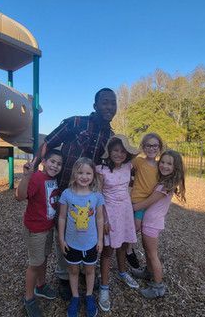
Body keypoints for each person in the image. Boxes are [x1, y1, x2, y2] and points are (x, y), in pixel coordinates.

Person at [37, 88, 117, 299]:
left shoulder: (111, 136)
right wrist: (34, 165)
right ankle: (64, 275)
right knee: (63, 231)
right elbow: (49, 142)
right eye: (105, 102)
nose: (110, 107)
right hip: (64, 189)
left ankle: (84, 269)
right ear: (95, 106)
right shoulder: (76, 123)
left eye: (113, 103)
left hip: (89, 194)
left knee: (86, 229)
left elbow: (112, 165)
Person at [132, 150, 186, 298]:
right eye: (162, 162)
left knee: (152, 254)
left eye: (169, 164)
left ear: (176, 167)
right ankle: (148, 272)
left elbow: (148, 202)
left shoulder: (166, 185)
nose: (164, 166)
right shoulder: (164, 181)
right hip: (149, 222)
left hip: (152, 223)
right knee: (147, 249)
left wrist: (129, 207)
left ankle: (158, 287)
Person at [15, 149, 63, 317]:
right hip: (35, 229)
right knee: (35, 264)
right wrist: (26, 176)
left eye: (59, 164)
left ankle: (41, 286)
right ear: (43, 161)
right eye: (52, 162)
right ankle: (29, 298)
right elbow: (20, 197)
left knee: (44, 258)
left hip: (48, 227)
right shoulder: (36, 178)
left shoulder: (54, 180)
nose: (55, 166)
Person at [96, 135, 140, 312]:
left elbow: (146, 167)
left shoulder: (129, 166)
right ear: (109, 151)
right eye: (115, 150)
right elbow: (99, 195)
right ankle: (104, 288)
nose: (119, 154)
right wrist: (104, 219)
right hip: (109, 213)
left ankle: (123, 272)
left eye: (123, 151)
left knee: (123, 245)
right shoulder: (100, 169)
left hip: (125, 212)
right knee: (108, 251)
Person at [58, 157, 104, 317]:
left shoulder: (97, 196)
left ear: (93, 175)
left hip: (91, 243)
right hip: (72, 243)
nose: (84, 176)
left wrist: (100, 240)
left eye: (88, 173)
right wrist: (61, 239)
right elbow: (62, 217)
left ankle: (89, 296)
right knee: (73, 270)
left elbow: (99, 218)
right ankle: (75, 297)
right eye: (80, 172)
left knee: (90, 270)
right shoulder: (66, 194)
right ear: (74, 174)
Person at [126, 133, 164, 269]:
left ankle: (138, 252)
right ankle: (128, 250)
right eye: (148, 145)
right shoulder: (139, 161)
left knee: (145, 229)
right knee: (135, 226)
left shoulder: (161, 165)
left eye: (155, 145)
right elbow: (126, 167)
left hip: (151, 203)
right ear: (143, 147)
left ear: (159, 147)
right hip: (138, 201)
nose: (151, 148)